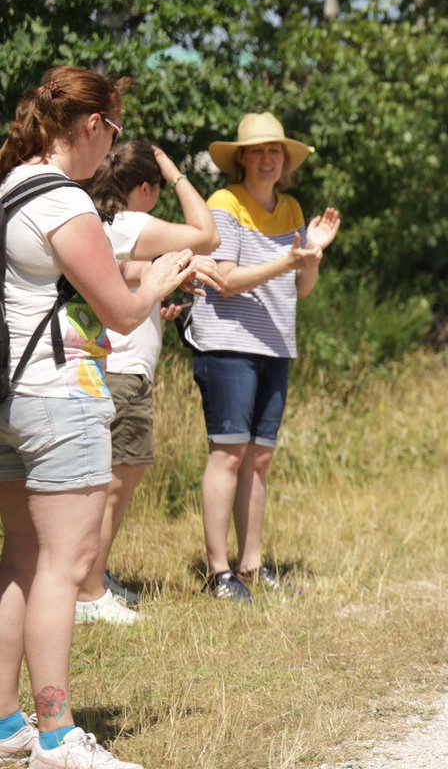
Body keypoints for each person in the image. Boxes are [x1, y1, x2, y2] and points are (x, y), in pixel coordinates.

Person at [0, 66, 218, 769]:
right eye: (114, 130)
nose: (112, 146)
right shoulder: (64, 199)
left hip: (10, 398)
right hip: (59, 400)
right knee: (67, 567)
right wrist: (163, 278)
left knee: (20, 563)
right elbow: (123, 315)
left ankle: (7, 724)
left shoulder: (9, 187)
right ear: (92, 127)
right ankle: (59, 735)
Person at [187, 112, 341, 602]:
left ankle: (251, 567)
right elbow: (225, 280)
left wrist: (311, 257)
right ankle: (219, 572)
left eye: (275, 150)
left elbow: (301, 289)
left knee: (260, 459)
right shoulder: (224, 203)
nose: (268, 158)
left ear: (284, 160)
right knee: (228, 454)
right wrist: (286, 259)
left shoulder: (292, 208)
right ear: (242, 159)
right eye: (258, 151)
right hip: (227, 342)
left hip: (276, 344)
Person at [75, 141, 220, 625]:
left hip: (118, 367)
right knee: (114, 483)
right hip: (120, 372)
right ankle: (89, 591)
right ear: (145, 188)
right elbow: (207, 234)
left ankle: (94, 579)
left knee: (115, 478)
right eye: (159, 187)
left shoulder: (106, 227)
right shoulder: (130, 222)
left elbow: (121, 279)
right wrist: (175, 170)